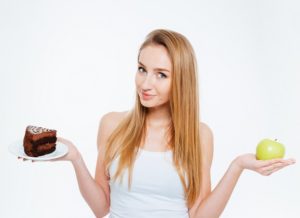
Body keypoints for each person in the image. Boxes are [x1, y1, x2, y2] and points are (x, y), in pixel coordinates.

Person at [20, 29, 296, 218]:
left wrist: (237, 166)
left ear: (181, 81)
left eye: (161, 74)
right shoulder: (112, 125)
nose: (145, 83)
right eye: (142, 69)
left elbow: (199, 214)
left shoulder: (199, 135)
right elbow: (101, 208)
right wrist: (75, 158)